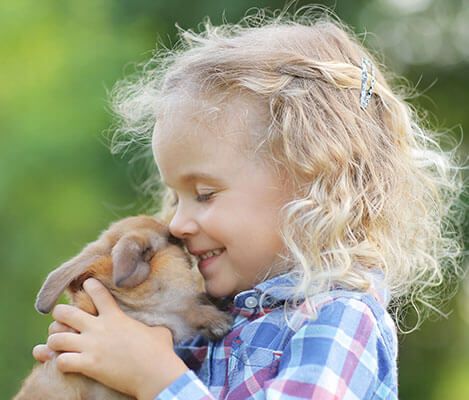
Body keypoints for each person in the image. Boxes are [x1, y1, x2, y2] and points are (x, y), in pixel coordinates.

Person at [31, 10, 464, 400]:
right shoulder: (218, 321)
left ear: (309, 183)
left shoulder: (337, 320)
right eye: (176, 196)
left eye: (204, 194)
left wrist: (156, 379)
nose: (177, 222)